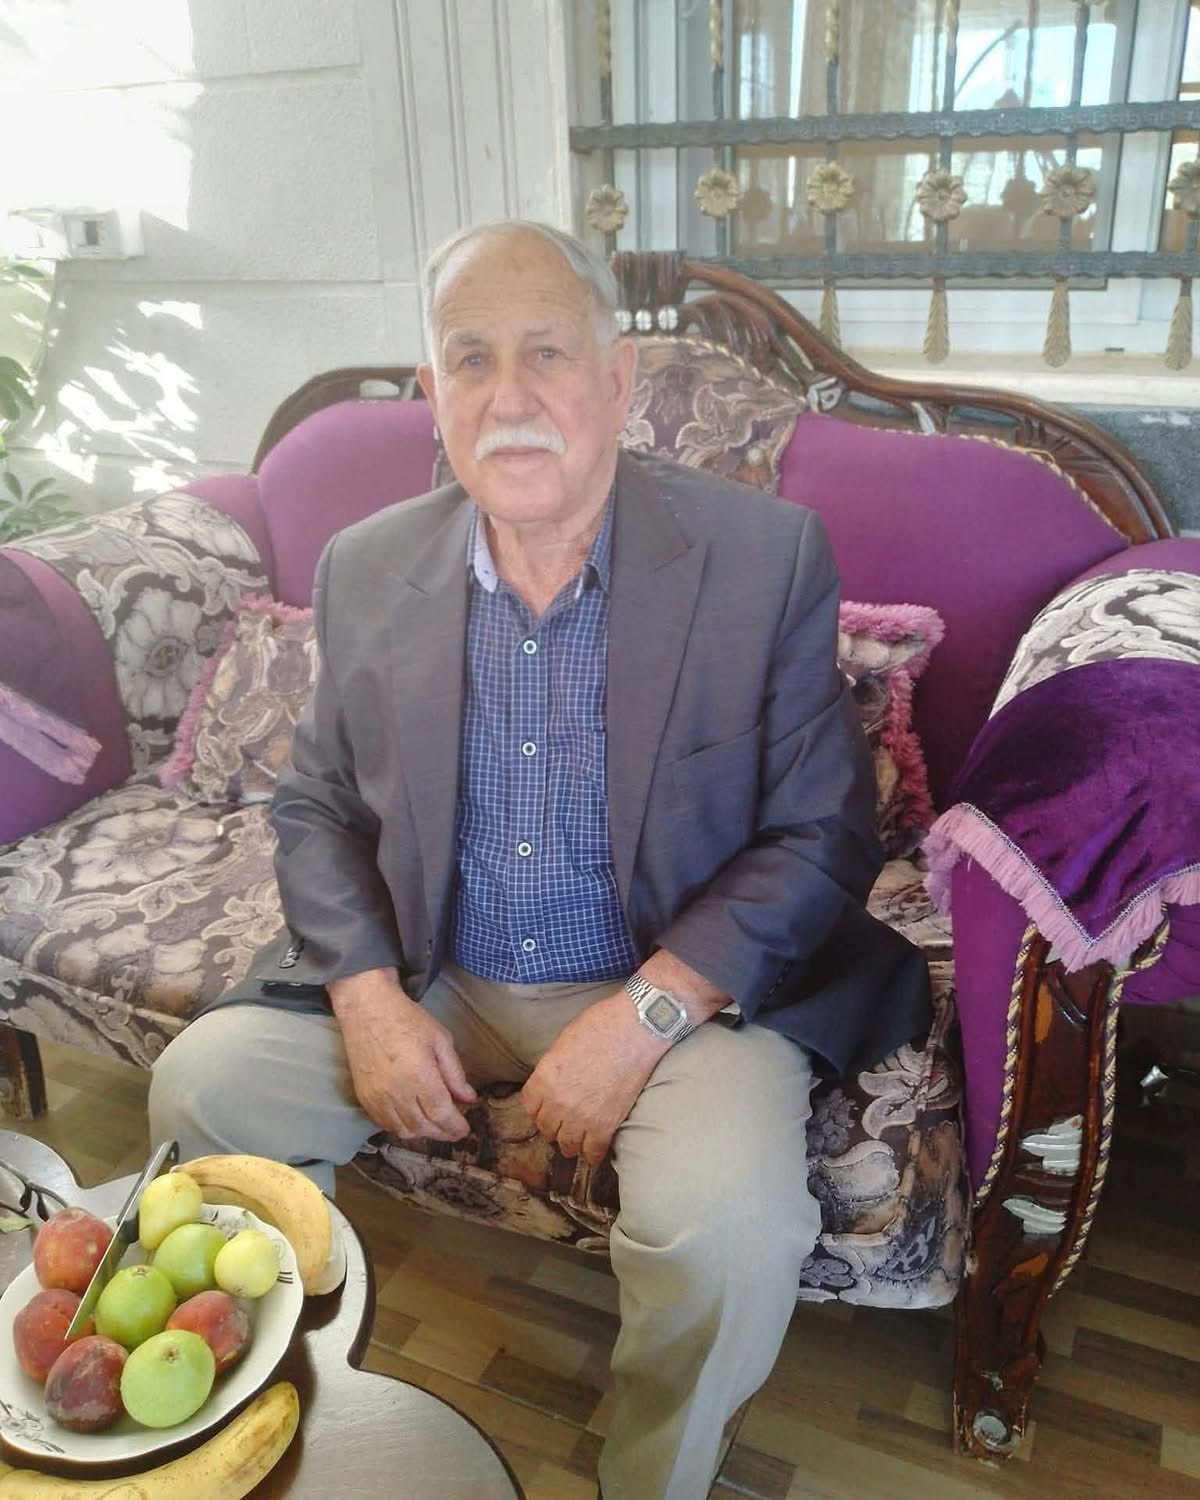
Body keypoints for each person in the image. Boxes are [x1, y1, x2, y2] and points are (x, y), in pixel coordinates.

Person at [149, 220, 930, 1499]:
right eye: (471, 359)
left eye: (547, 355)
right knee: (204, 1093)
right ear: (433, 392)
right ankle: (278, 1423)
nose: (508, 398)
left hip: (676, 986)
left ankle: (653, 1482)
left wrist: (645, 1014)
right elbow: (318, 806)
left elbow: (823, 833)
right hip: (437, 967)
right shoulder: (368, 565)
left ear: (617, 382)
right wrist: (366, 997)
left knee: (722, 1226)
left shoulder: (760, 558)